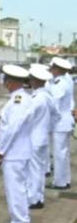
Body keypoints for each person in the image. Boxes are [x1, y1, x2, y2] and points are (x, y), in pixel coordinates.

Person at [0, 64, 33, 223]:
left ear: (11, 82)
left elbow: (12, 128)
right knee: (19, 190)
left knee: (15, 191)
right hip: (20, 151)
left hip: (15, 153)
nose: (4, 83)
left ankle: (20, 220)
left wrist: (1, 150)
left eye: (5, 80)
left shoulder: (18, 100)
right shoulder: (24, 97)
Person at [25, 65, 60, 209]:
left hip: (33, 139)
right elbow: (56, 115)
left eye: (31, 79)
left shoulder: (36, 98)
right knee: (39, 170)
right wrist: (47, 128)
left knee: (33, 170)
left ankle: (33, 199)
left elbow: (26, 118)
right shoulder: (47, 96)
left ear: (35, 81)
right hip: (43, 138)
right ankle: (38, 197)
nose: (30, 82)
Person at [47, 57, 74, 190]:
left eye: (52, 68)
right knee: (64, 153)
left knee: (59, 154)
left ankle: (59, 182)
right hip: (65, 122)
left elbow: (55, 106)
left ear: (57, 69)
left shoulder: (59, 84)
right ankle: (65, 180)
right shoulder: (65, 81)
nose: (51, 70)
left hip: (59, 123)